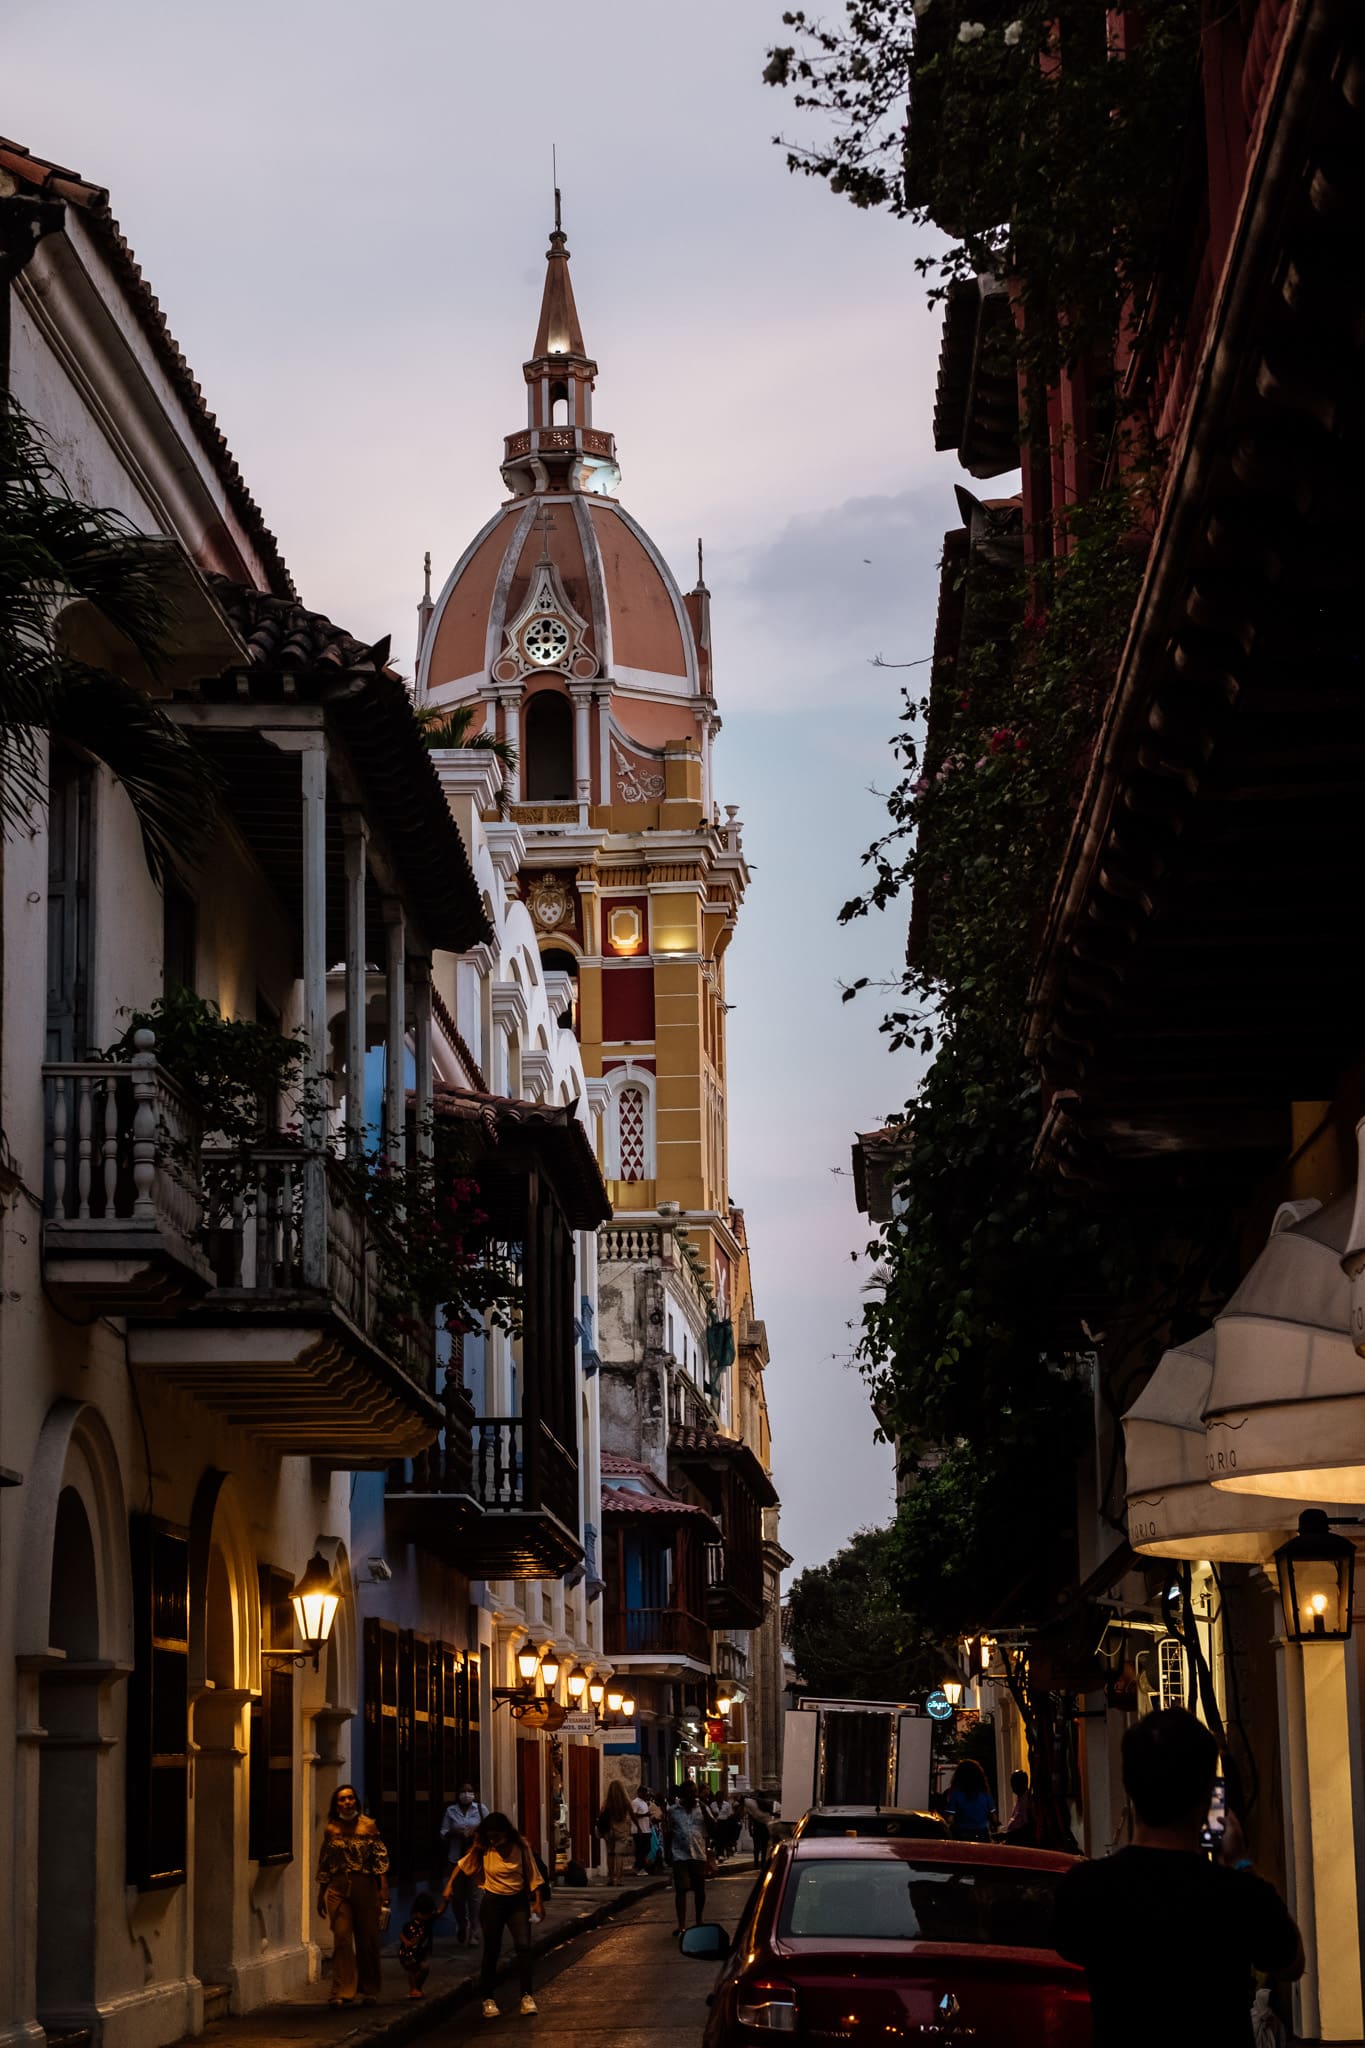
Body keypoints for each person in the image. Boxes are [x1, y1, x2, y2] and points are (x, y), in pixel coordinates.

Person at [1055, 1708, 1303, 2048]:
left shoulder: (1085, 1888)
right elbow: (1289, 1962)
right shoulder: (1239, 1894)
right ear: (1208, 1796)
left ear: (1130, 1788)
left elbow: (1070, 1948)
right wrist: (1241, 1862)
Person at [446, 1810, 546, 2022]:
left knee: (524, 1947)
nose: (495, 1841)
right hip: (493, 1902)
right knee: (492, 1949)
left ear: (506, 1833)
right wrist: (449, 1887)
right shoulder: (483, 1848)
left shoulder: (521, 1847)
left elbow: (532, 1873)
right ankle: (488, 1999)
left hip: (517, 1901)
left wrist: (537, 1902)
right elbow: (462, 1865)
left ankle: (527, 1996)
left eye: (498, 1836)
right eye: (491, 1837)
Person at [315, 1785, 390, 2007]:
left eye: (350, 1798)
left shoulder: (368, 1826)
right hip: (338, 1887)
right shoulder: (332, 1829)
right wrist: (321, 1892)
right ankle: (342, 1989)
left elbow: (379, 1858)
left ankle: (369, 1988)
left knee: (367, 1939)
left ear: (355, 1801)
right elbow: (325, 1861)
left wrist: (382, 1887)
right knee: (342, 1938)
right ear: (336, 1804)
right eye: (342, 1800)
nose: (347, 1803)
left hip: (364, 1884)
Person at [439, 1783, 488, 1946]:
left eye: (470, 1791)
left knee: (475, 1899)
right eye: (463, 1791)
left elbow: (489, 1830)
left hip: (475, 1859)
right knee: (458, 1898)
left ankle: (475, 1932)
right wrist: (455, 1833)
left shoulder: (481, 1810)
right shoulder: (451, 1811)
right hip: (456, 1858)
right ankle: (462, 1923)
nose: (466, 1794)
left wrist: (476, 1834)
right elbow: (443, 1832)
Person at [666, 1780, 712, 1936]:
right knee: (681, 1889)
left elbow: (713, 1828)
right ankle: (681, 1925)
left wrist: (705, 1811)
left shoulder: (703, 1808)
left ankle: (699, 1921)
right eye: (690, 1792)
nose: (693, 1795)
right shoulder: (673, 1811)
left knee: (699, 1890)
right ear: (682, 1795)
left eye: (695, 1792)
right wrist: (668, 1855)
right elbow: (669, 1832)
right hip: (680, 1854)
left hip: (698, 1854)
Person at [397, 1891, 441, 1999]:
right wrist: (407, 1942)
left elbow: (439, 1913)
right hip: (409, 1952)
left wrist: (446, 1902)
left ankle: (417, 1987)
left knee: (424, 1968)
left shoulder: (427, 1922)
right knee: (412, 1969)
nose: (424, 1917)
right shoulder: (411, 1924)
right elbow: (402, 1934)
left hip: (419, 1951)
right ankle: (413, 1989)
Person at [945, 1758, 997, 1842]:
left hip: (960, 1836)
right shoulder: (985, 1794)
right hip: (982, 1836)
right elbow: (994, 1817)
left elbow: (950, 1819)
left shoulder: (956, 1794)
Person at [597, 1778, 634, 1885]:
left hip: (609, 1831)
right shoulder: (625, 1802)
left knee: (610, 1854)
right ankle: (619, 1879)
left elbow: (601, 1815)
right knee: (619, 1855)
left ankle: (610, 1878)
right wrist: (637, 1827)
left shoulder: (607, 1802)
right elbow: (632, 1814)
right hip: (621, 1831)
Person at [1001, 1768, 1034, 1844]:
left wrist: (1006, 1835)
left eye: (1014, 1782)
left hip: (1020, 1842)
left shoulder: (1027, 1801)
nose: (1012, 1786)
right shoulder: (1020, 1799)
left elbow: (1028, 1827)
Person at [630, 1784, 654, 1872]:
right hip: (639, 1830)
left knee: (646, 1848)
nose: (645, 1794)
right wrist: (645, 1815)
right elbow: (633, 1815)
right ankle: (639, 1867)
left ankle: (642, 1865)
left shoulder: (644, 1802)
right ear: (639, 1793)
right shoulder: (635, 1802)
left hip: (646, 1829)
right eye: (643, 1792)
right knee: (640, 1850)